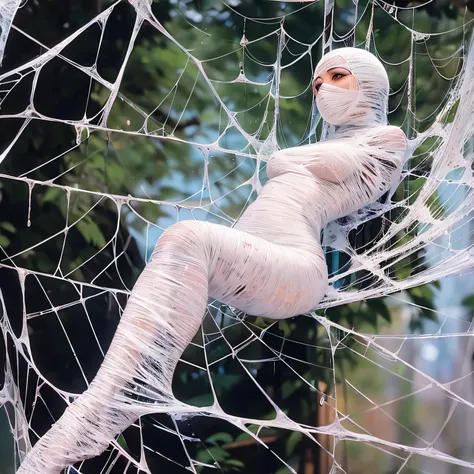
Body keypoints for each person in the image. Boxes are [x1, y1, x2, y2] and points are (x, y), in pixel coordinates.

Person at [16, 47, 407, 474]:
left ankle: (121, 393)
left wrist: (290, 160)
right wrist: (296, 160)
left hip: (296, 265)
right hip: (259, 260)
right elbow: (307, 161)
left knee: (186, 238)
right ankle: (120, 390)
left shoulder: (387, 139)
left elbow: (332, 166)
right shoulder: (329, 146)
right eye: (317, 84)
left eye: (336, 76)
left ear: (370, 83)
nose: (322, 91)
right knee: (178, 255)